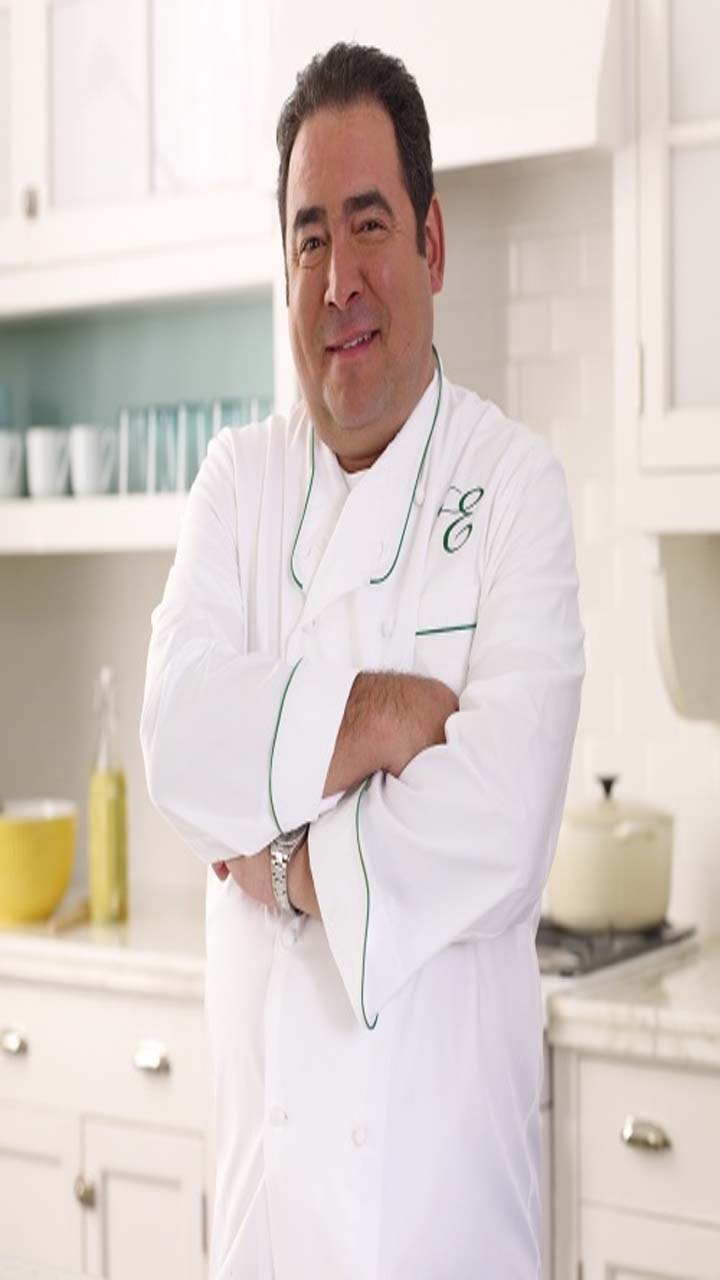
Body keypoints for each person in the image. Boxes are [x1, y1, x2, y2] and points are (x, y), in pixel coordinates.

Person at [140, 41, 584, 1280]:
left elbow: (500, 821)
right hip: (266, 1233)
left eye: (369, 224)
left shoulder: (514, 488)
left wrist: (280, 866)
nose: (338, 279)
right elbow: (178, 737)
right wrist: (386, 717)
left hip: (446, 1236)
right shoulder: (239, 482)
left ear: (431, 243)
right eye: (308, 238)